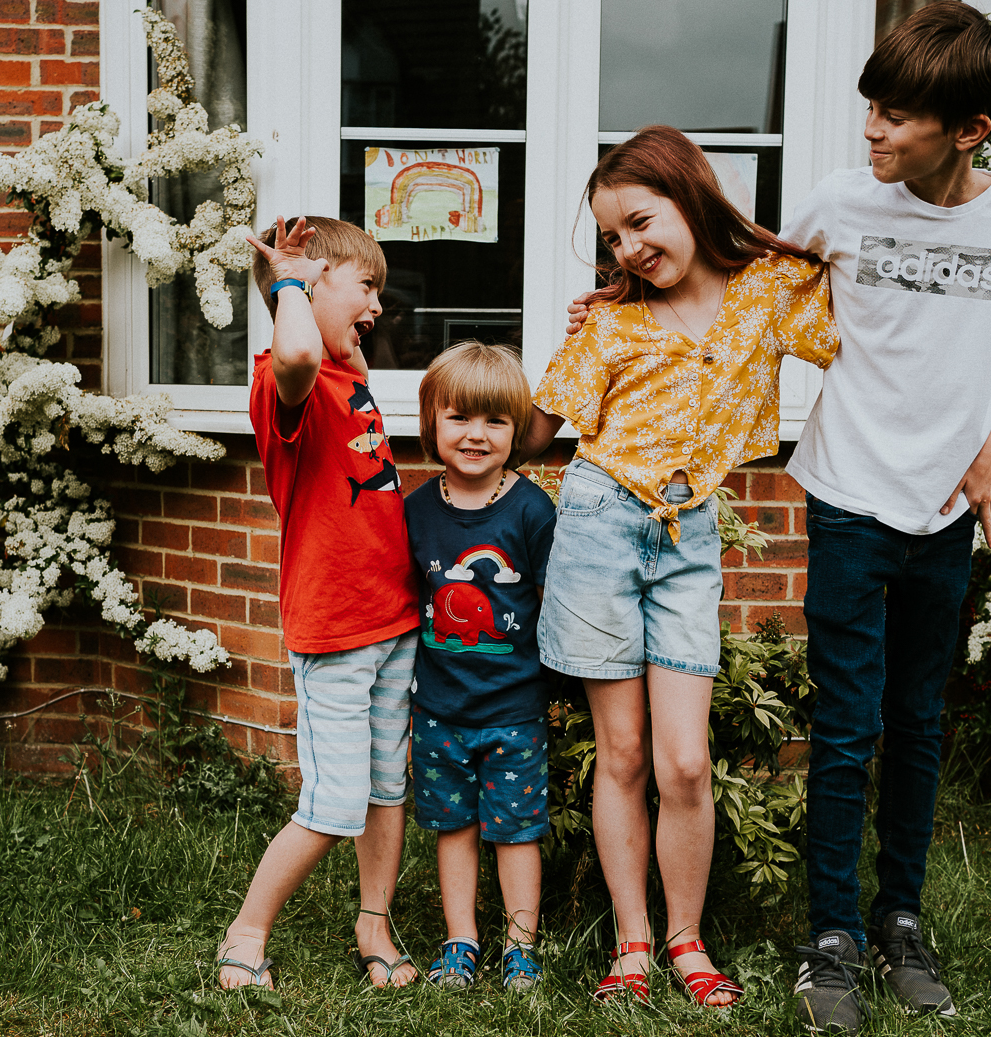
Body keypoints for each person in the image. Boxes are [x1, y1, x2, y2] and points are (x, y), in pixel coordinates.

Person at [776, 6, 991, 1032]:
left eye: (896, 117)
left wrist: (986, 452)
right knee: (847, 727)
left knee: (918, 724)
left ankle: (900, 917)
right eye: (871, 111)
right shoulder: (841, 203)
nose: (872, 132)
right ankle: (831, 936)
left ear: (970, 129)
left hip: (945, 508)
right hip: (848, 493)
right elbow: (748, 279)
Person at [517, 125, 841, 1007]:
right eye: (613, 237)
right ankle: (631, 944)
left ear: (689, 193)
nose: (629, 248)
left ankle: (687, 941)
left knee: (685, 762)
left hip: (687, 535)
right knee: (621, 754)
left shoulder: (773, 291)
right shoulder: (612, 321)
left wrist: (990, 212)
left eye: (640, 221)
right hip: (596, 523)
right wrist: (553, 346)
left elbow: (871, 324)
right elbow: (539, 432)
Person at [217, 215, 423, 991]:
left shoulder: (348, 376)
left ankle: (373, 927)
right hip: (336, 629)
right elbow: (301, 343)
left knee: (384, 788)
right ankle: (247, 930)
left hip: (393, 619)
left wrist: (342, 317)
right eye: (365, 285)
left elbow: (339, 346)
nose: (377, 303)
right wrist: (290, 280)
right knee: (335, 802)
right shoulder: (286, 381)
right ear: (305, 290)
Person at [403, 341, 557, 993]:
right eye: (460, 416)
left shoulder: (530, 510)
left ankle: (521, 948)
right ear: (432, 421)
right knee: (454, 826)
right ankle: (460, 941)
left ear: (518, 430)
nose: (476, 434)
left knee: (517, 832)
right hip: (438, 708)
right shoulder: (414, 511)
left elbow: (555, 602)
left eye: (495, 420)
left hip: (513, 711)